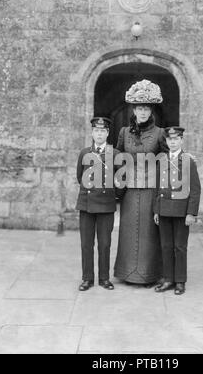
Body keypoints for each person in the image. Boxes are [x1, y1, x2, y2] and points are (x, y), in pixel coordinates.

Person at [114, 80, 168, 285]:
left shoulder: (160, 133)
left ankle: (150, 273)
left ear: (151, 110)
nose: (142, 112)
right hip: (129, 190)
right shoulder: (124, 132)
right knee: (128, 231)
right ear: (134, 110)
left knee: (148, 233)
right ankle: (126, 272)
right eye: (139, 108)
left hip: (149, 190)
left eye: (146, 108)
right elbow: (118, 154)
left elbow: (167, 159)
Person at [153, 127, 201, 295]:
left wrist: (191, 213)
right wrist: (156, 210)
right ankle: (168, 279)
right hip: (164, 209)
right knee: (166, 246)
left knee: (180, 247)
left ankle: (180, 281)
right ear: (166, 142)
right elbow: (157, 187)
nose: (172, 142)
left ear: (181, 140)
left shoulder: (188, 161)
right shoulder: (162, 160)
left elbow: (195, 189)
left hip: (181, 211)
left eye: (176, 139)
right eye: (169, 140)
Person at [76, 117, 120, 292]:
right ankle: (87, 278)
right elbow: (80, 176)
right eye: (96, 131)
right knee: (86, 243)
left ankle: (104, 278)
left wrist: (112, 196)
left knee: (105, 243)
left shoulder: (115, 154)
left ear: (107, 133)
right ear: (92, 133)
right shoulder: (84, 153)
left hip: (106, 205)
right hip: (86, 204)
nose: (99, 134)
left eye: (103, 131)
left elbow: (120, 181)